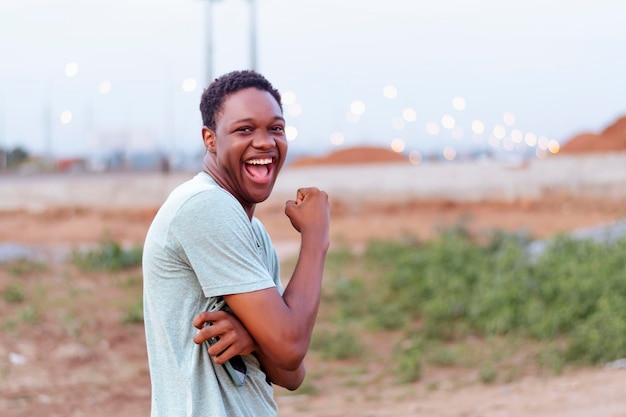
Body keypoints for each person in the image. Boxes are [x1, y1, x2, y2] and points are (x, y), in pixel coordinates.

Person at [142, 70, 330, 417]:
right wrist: (316, 239)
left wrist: (255, 338)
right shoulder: (205, 205)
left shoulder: (253, 232)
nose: (265, 142)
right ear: (210, 139)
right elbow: (290, 347)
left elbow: (292, 372)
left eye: (275, 128)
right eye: (245, 129)